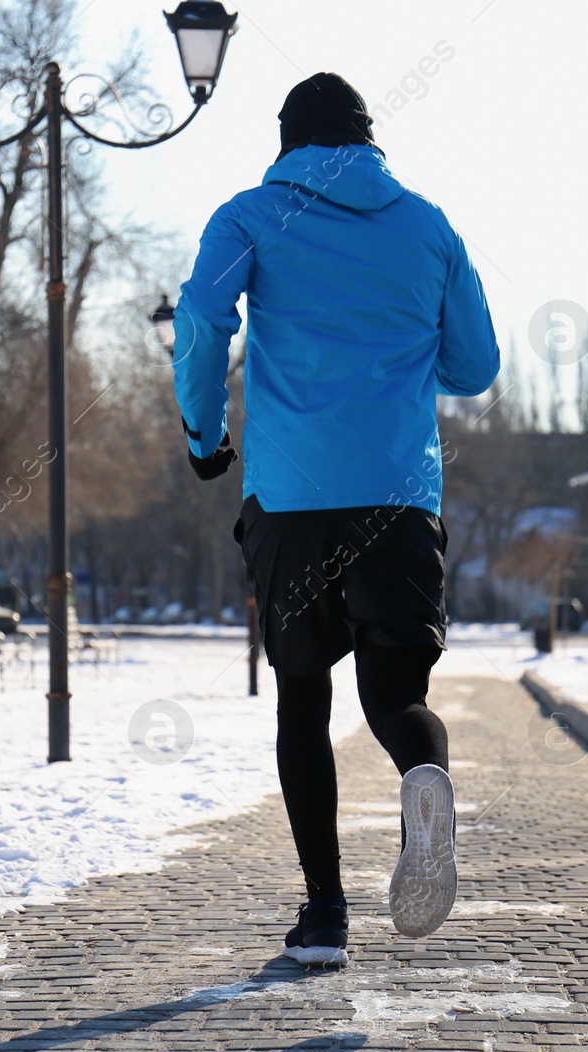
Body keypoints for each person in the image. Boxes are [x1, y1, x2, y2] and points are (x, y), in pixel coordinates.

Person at [171, 72, 500, 967]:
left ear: (287, 145)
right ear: (368, 141)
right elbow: (474, 366)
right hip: (397, 499)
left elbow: (202, 319)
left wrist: (207, 433)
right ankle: (422, 780)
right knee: (398, 697)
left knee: (303, 698)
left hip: (292, 502)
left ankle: (323, 916)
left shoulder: (248, 215)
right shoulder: (428, 224)